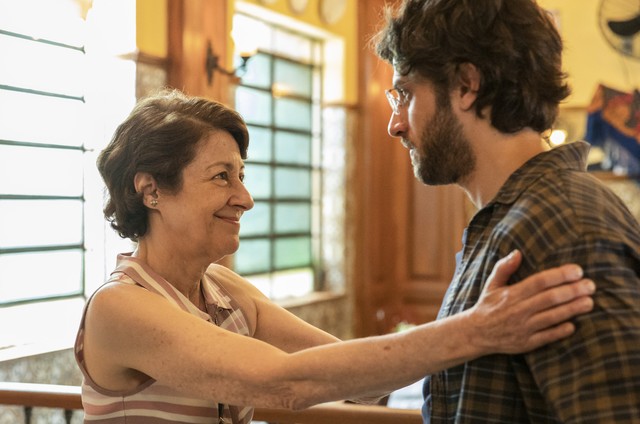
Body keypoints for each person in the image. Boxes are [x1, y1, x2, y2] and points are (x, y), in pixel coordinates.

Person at [74, 88, 595, 423]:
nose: (245, 197)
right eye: (221, 177)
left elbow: (361, 382)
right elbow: (286, 382)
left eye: (242, 175)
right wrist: (477, 328)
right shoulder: (121, 308)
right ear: (150, 191)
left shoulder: (225, 292)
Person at [375, 0, 640, 422]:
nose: (395, 124)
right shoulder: (511, 219)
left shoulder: (562, 227)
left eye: (404, 93)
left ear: (466, 85)